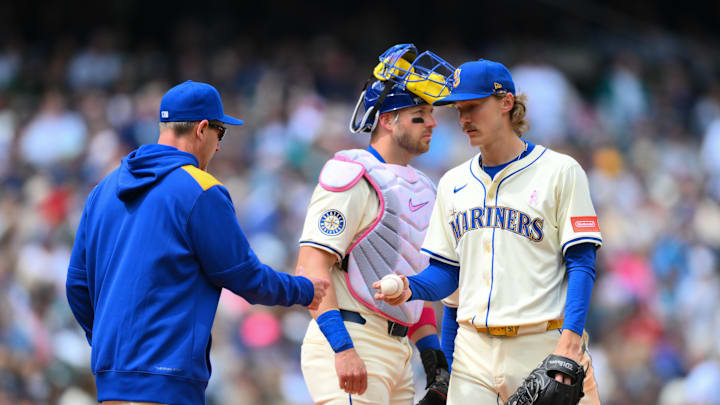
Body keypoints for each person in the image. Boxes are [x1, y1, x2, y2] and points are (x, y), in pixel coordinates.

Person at [65, 80, 329, 405]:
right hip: (168, 384)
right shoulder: (201, 189)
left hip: (112, 383)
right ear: (202, 129)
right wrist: (304, 289)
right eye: (221, 133)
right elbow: (246, 278)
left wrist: (111, 349)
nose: (219, 147)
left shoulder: (103, 190)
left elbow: (76, 286)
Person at [373, 59, 603, 404]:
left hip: (542, 343)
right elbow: (448, 275)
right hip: (473, 353)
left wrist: (570, 341)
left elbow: (582, 263)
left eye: (473, 107)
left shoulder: (560, 171)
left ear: (506, 103)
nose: (464, 119)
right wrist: (411, 287)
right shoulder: (453, 183)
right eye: (458, 110)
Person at [297, 44, 454, 405]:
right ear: (387, 119)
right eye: (419, 113)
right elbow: (311, 268)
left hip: (398, 352)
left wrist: (432, 356)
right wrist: (342, 348)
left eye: (430, 113)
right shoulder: (352, 175)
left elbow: (412, 276)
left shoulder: (421, 186)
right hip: (353, 338)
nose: (431, 122)